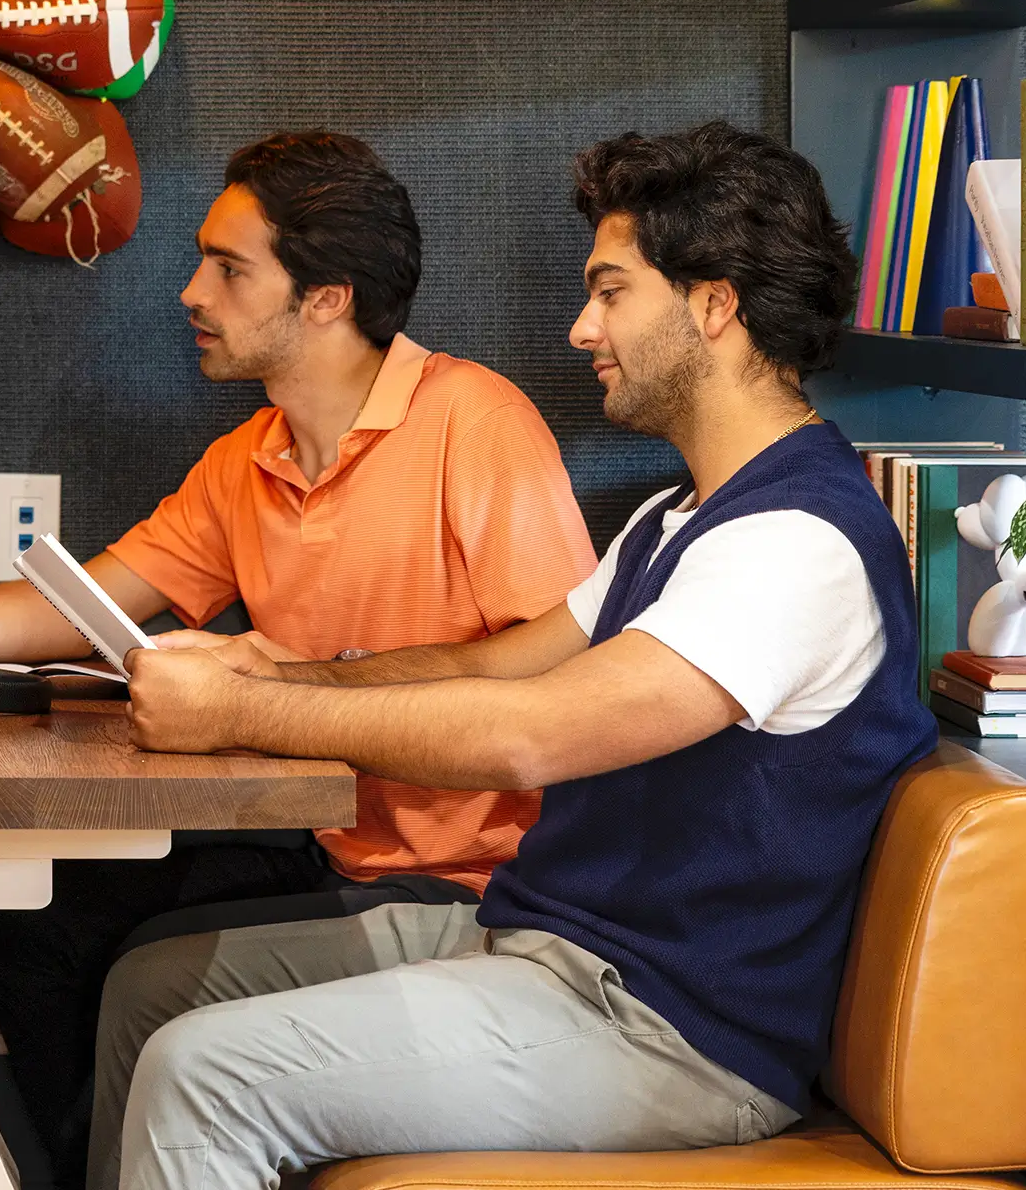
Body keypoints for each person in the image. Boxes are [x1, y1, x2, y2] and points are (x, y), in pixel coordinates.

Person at [91, 121, 940, 1190]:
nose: (582, 324)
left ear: (713, 304)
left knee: (199, 1071)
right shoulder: (678, 518)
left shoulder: (794, 545)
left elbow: (524, 735)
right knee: (150, 989)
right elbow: (496, 667)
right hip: (547, 948)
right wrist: (272, 676)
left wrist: (236, 715)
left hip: (670, 1027)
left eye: (611, 291)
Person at [0, 131, 598, 1180]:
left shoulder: (476, 423)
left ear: (327, 297)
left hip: (462, 872)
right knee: (33, 922)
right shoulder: (247, 455)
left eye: (228, 267)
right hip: (314, 836)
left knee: (113, 963)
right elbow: (98, 597)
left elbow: (560, 664)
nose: (192, 291)